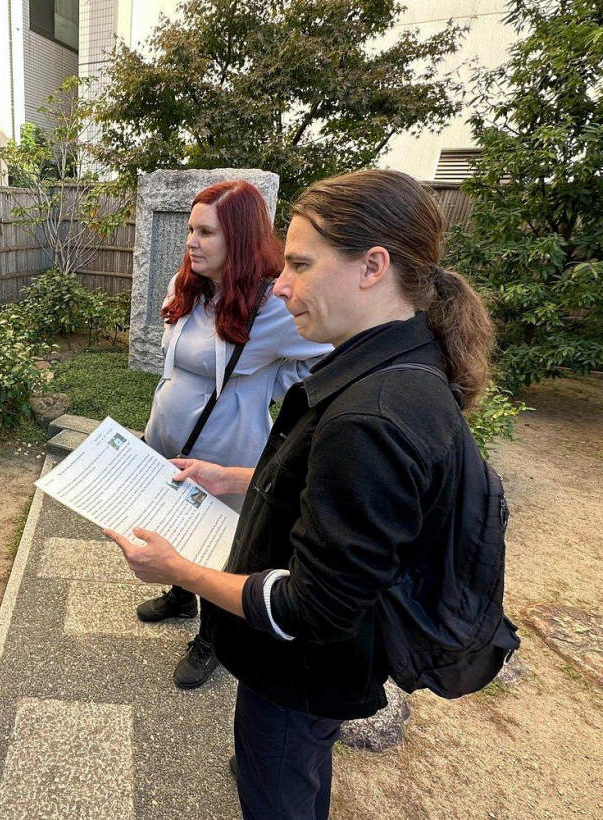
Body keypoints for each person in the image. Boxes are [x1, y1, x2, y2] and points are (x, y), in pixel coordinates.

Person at [106, 169, 495, 818]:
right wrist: (232, 478)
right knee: (291, 768)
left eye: (300, 265)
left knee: (281, 790)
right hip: (319, 671)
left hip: (300, 673)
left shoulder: (372, 414)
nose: (280, 285)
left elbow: (310, 608)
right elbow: (326, 489)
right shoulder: (394, 365)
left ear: (372, 267)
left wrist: (180, 571)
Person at [137, 180, 330, 689]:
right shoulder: (191, 290)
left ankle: (212, 639)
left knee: (219, 551)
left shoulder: (270, 308)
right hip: (168, 442)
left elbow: (326, 354)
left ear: (240, 239)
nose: (191, 242)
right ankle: (181, 597)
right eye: (189, 230)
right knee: (172, 531)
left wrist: (272, 384)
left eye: (206, 232)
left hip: (225, 455)